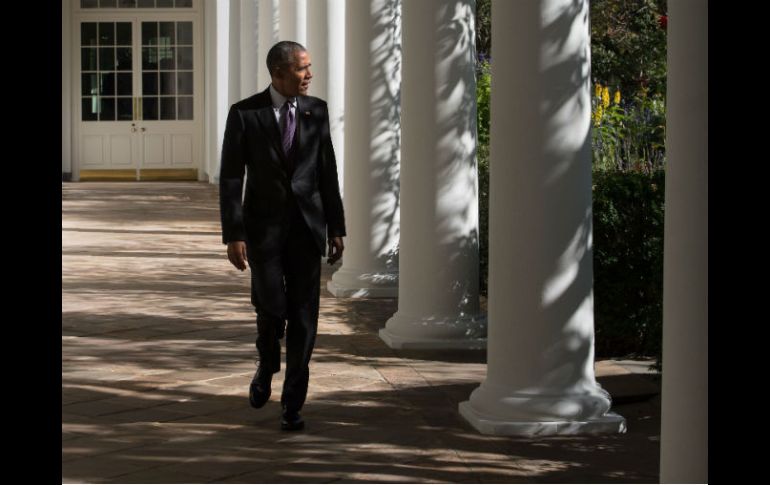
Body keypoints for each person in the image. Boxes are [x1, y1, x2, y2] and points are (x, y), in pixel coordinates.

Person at [219, 41, 346, 431]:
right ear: (278, 72)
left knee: (305, 317)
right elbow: (230, 176)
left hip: (308, 230)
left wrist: (337, 227)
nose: (309, 75)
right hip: (263, 231)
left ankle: (293, 403)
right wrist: (234, 233)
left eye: (309, 67)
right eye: (302, 68)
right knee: (271, 307)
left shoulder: (316, 110)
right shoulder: (245, 114)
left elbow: (327, 170)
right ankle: (267, 363)